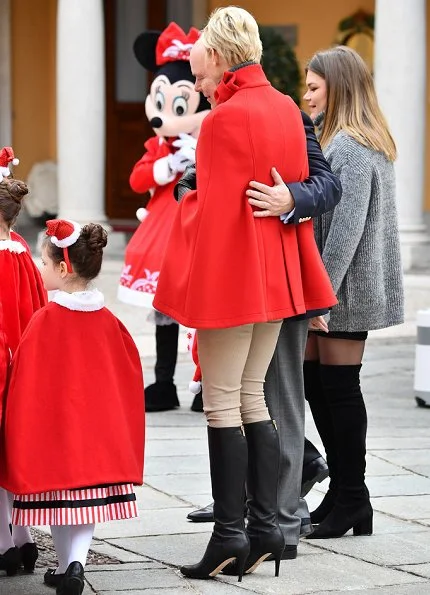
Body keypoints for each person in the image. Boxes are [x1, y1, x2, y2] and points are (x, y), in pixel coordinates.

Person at [153, 6, 336, 581]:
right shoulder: (285, 107)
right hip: (278, 276)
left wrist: (186, 197)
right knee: (253, 398)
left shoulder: (223, 119)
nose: (195, 61)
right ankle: (263, 532)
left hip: (233, 278)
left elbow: (209, 214)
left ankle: (230, 535)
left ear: (221, 53)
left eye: (202, 50)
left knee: (222, 404)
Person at [179, 111, 341, 557]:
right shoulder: (221, 121)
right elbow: (192, 180)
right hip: (235, 269)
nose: (200, 88)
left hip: (282, 273)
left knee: (278, 400)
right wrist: (198, 198)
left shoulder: (293, 121)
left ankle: (283, 523)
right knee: (247, 397)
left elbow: (327, 187)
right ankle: (256, 518)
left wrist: (290, 197)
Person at [258, 46, 404, 539]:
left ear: (338, 87)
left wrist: (322, 296)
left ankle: (353, 500)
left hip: (345, 288)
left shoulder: (356, 146)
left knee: (339, 391)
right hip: (332, 288)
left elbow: (346, 232)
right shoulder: (337, 140)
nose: (307, 95)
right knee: (320, 387)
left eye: (315, 87)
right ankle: (342, 495)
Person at [0, 219, 145, 595]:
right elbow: (125, 377)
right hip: (96, 440)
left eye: (44, 263)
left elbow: (26, 383)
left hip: (58, 439)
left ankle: (70, 566)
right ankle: (74, 564)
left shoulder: (45, 320)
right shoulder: (109, 322)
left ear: (63, 269)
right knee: (84, 503)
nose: (40, 269)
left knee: (60, 502)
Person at [118, 23, 210, 413]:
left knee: (205, 311)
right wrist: (167, 165)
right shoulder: (159, 147)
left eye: (176, 105)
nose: (162, 118)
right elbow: (138, 178)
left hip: (200, 230)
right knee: (165, 311)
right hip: (161, 236)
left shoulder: (211, 138)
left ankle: (207, 382)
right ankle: (163, 382)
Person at [0, 156, 47, 577]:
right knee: (12, 454)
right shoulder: (23, 254)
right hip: (23, 366)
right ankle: (23, 539)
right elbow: (38, 311)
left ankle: (4, 544)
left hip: (2, 366)